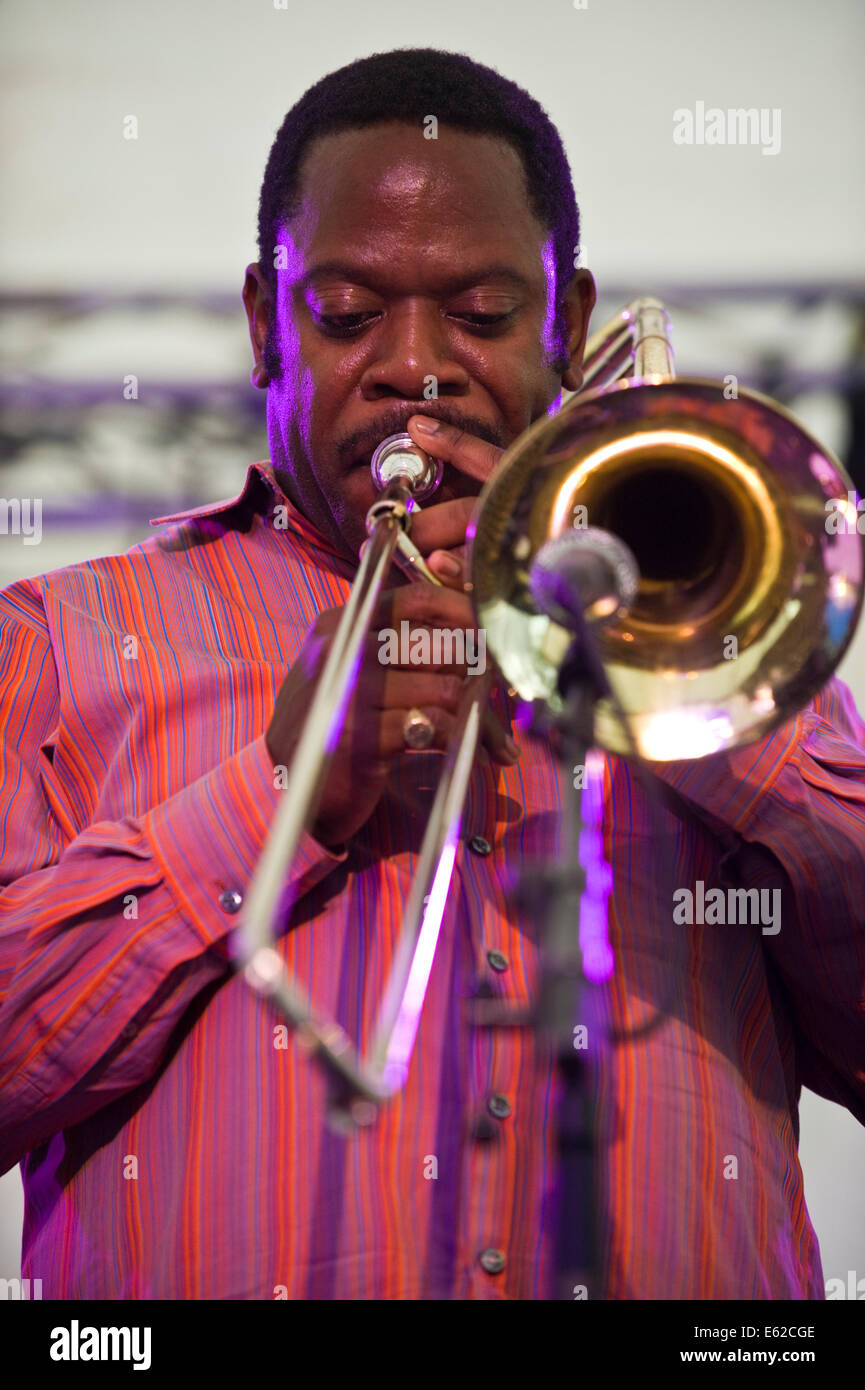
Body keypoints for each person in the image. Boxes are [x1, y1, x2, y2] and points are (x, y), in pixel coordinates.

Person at [1, 47, 863, 1302]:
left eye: (481, 316)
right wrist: (277, 788)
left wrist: (686, 687)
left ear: (566, 325)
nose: (414, 365)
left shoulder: (726, 644)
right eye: (346, 314)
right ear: (262, 323)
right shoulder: (59, 638)